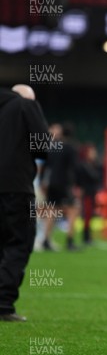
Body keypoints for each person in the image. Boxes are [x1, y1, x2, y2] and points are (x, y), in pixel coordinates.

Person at [0, 84, 48, 321]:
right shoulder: (25, 104)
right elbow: (42, 146)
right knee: (18, 242)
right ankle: (4, 304)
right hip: (15, 187)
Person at [41, 123, 80, 251]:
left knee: (52, 211)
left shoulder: (51, 147)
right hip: (64, 184)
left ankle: (46, 240)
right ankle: (69, 240)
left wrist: (43, 182)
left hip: (51, 183)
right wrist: (76, 186)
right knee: (73, 209)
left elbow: (44, 167)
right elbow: (74, 168)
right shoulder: (70, 147)